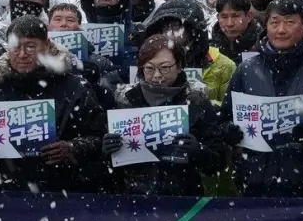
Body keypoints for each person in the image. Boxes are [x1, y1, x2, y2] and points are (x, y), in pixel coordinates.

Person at [0, 18, 107, 193]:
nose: (22, 54)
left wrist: (73, 149)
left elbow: (99, 138)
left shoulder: (75, 86)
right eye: (15, 47)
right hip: (5, 192)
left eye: (30, 46)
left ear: (46, 44)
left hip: (63, 191)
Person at [226, 0, 303, 197]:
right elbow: (225, 118)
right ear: (266, 26)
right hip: (255, 182)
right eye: (274, 22)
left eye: (290, 22)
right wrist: (229, 131)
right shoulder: (246, 70)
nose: (281, 30)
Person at [100, 35, 240, 196]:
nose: (157, 75)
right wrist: (107, 151)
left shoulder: (196, 101)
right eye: (149, 68)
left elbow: (219, 160)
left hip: (184, 199)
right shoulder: (125, 102)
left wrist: (198, 151)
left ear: (180, 66)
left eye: (165, 67)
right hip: (134, 198)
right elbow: (107, 167)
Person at [210, 0, 265, 64]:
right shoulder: (208, 46)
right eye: (224, 17)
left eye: (235, 16)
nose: (230, 24)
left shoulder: (264, 45)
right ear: (218, 17)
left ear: (249, 16)